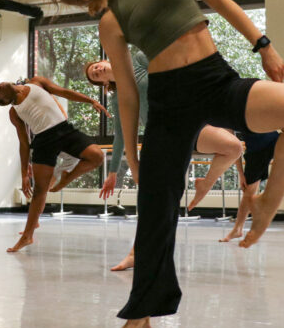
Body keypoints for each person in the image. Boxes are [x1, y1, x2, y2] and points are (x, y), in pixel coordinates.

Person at [38, 0, 284, 328]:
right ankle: (138, 319)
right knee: (156, 210)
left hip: (214, 78)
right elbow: (126, 95)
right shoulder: (110, 20)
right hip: (168, 103)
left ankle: (267, 201)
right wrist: (133, 157)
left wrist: (263, 44)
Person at [85, 56, 243, 270]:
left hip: (187, 120)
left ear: (104, 60)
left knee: (233, 147)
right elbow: (121, 134)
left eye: (96, 67)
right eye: (94, 75)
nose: (97, 71)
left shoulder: (138, 60)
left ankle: (204, 184)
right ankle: (136, 253)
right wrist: (113, 173)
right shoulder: (118, 97)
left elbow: (172, 67)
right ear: (103, 83)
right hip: (162, 137)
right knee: (157, 199)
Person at [0, 75, 107, 252]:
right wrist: (24, 174)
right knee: (39, 190)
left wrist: (90, 100)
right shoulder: (14, 113)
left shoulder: (36, 82)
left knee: (97, 156)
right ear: (6, 101)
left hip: (65, 130)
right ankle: (27, 236)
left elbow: (64, 92)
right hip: (44, 141)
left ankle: (66, 178)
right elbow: (24, 143)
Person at [220, 130, 281, 243]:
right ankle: (238, 229)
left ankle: (238, 229)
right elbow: (234, 148)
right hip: (257, 151)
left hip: (268, 143)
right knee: (249, 191)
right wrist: (241, 174)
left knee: (249, 192)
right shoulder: (231, 121)